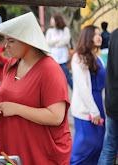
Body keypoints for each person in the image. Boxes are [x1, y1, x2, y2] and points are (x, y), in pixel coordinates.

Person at [0, 12, 72, 165]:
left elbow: (56, 117)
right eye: (6, 41)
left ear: (28, 42)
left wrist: (16, 109)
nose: (6, 46)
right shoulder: (11, 64)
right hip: (13, 145)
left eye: (11, 41)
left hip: (40, 152)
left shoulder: (50, 70)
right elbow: (4, 92)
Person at [70, 25, 106, 165]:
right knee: (84, 148)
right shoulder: (78, 58)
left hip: (99, 106)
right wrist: (94, 111)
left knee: (98, 146)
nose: (99, 37)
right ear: (87, 37)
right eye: (95, 34)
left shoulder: (99, 58)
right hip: (86, 109)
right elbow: (83, 87)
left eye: (100, 34)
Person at [98, 28, 118, 165]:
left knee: (109, 146)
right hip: (113, 102)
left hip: (112, 100)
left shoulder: (115, 34)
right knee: (110, 146)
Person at [46, 13, 73, 89]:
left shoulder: (65, 29)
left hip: (63, 58)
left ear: (57, 20)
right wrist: (57, 40)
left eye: (52, 20)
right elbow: (47, 42)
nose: (51, 22)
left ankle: (75, 93)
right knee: (53, 79)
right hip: (53, 59)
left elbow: (66, 41)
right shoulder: (49, 31)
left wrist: (55, 44)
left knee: (67, 78)